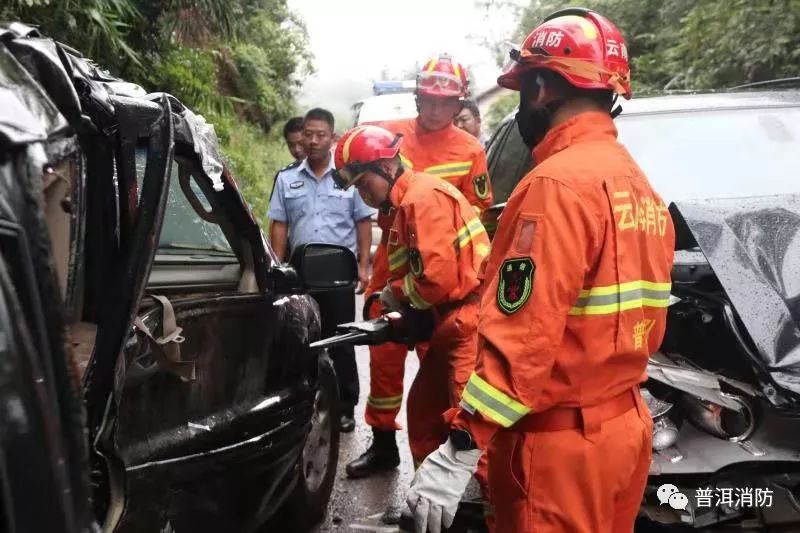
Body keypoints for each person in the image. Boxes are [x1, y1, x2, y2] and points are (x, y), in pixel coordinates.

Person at [407, 9, 676, 533]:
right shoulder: (638, 184)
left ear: (539, 88)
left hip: (557, 449)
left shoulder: (554, 186)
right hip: (625, 429)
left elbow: (522, 338)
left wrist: (463, 444)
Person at [347, 53, 494, 480]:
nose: (435, 109)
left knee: (446, 361)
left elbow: (478, 214)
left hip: (440, 273)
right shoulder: (391, 138)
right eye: (428, 99)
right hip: (393, 258)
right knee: (384, 354)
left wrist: (444, 264)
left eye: (445, 103)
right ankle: (383, 444)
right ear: (417, 98)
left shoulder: (470, 151)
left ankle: (451, 453)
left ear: (458, 105)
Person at [268, 108, 374, 432]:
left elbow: (363, 221)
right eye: (308, 134)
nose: (313, 141)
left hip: (339, 274)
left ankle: (345, 406)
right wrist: (278, 266)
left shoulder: (349, 179)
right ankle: (305, 403)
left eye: (321, 135)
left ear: (332, 137)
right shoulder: (287, 178)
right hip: (301, 273)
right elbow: (280, 224)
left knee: (341, 339)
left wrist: (364, 264)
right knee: (301, 338)